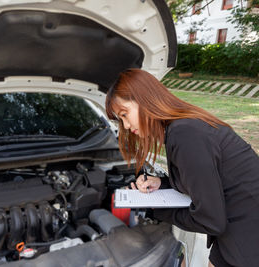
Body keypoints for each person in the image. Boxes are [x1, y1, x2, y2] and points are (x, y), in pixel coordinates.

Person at [105, 69, 259, 267]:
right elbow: (206, 180)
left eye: (125, 114)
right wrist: (163, 182)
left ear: (144, 99)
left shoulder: (185, 134)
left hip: (248, 237)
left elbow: (210, 220)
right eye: (120, 119)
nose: (125, 126)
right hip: (237, 227)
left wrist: (153, 210)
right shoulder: (183, 126)